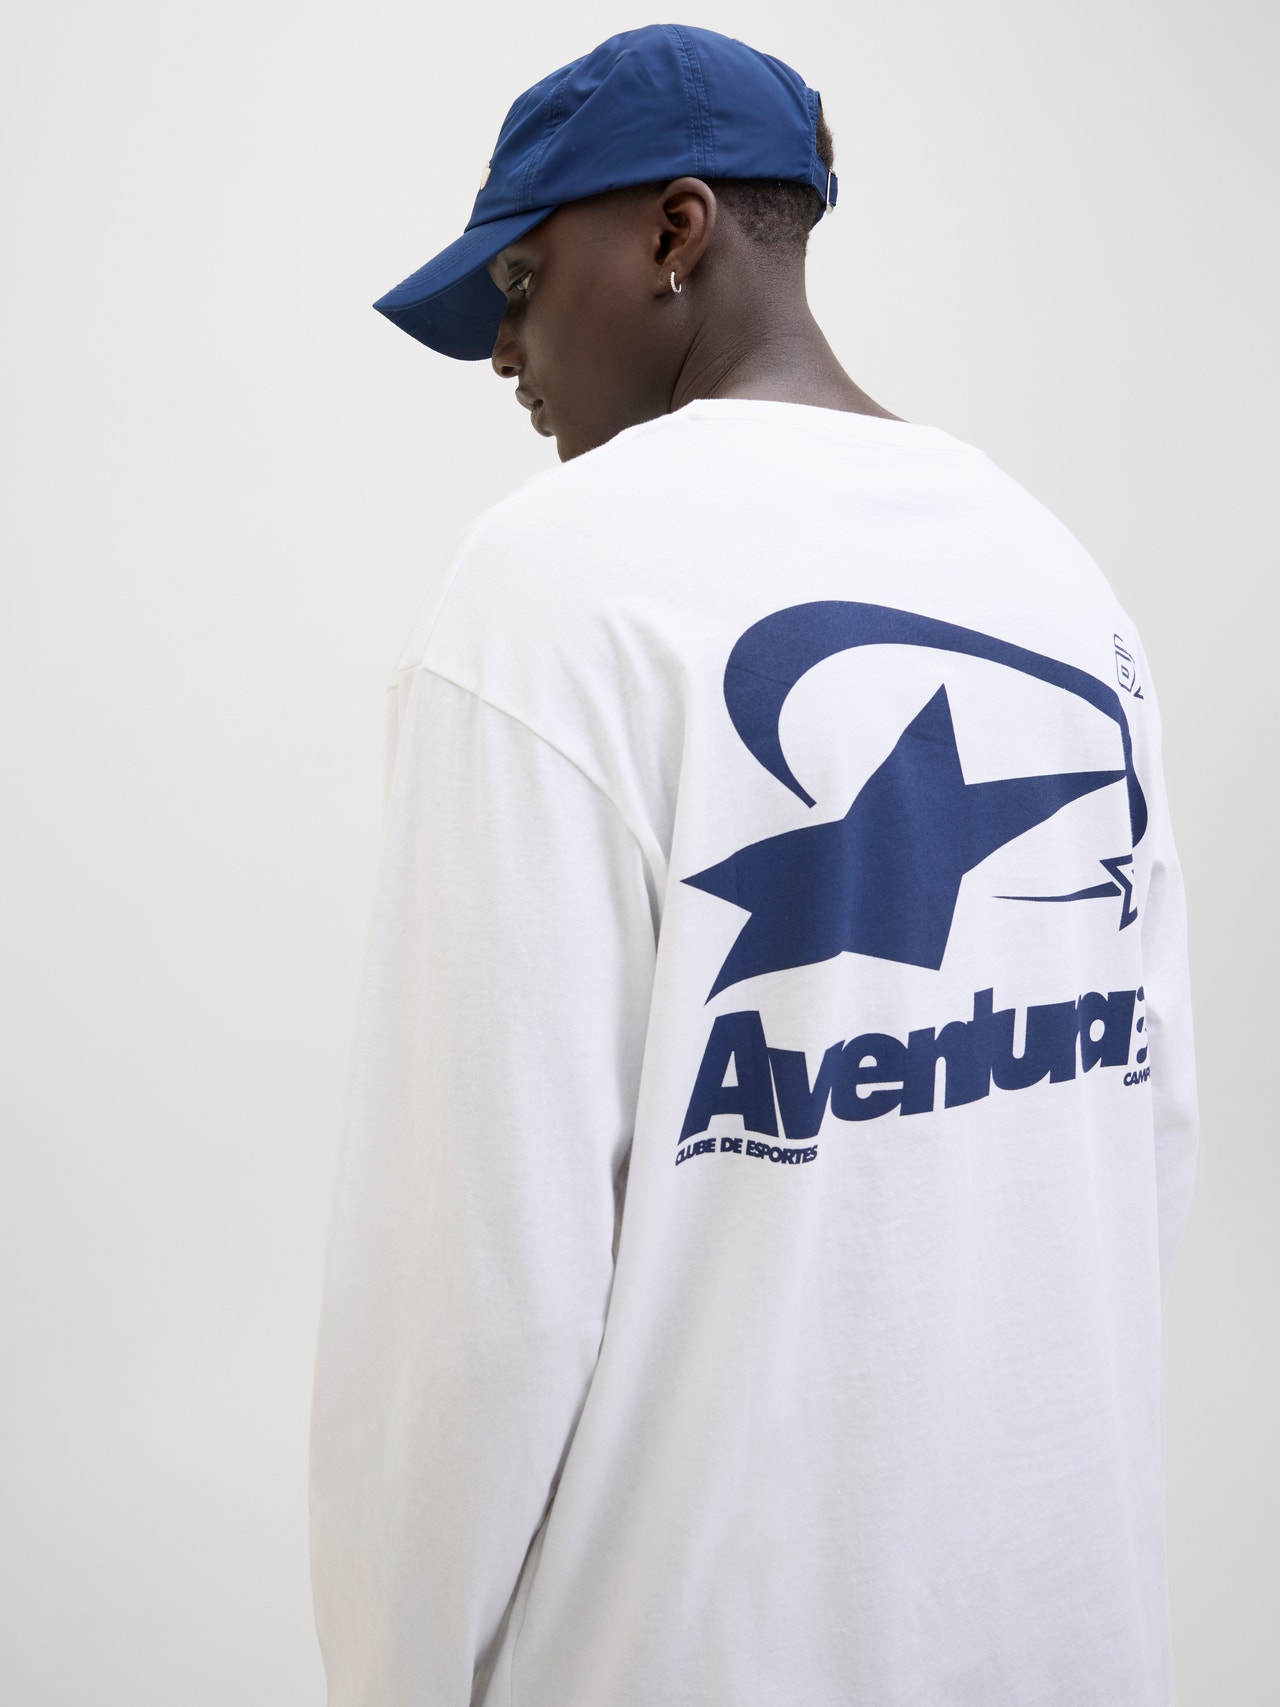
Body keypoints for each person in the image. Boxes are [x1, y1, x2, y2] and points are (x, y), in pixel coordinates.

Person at [309, 24, 1198, 1707]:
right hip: (1063, 1629)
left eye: (519, 282)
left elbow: (477, 1299)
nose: (502, 352)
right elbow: (1140, 1139)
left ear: (675, 232)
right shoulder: (1058, 578)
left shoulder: (549, 591)